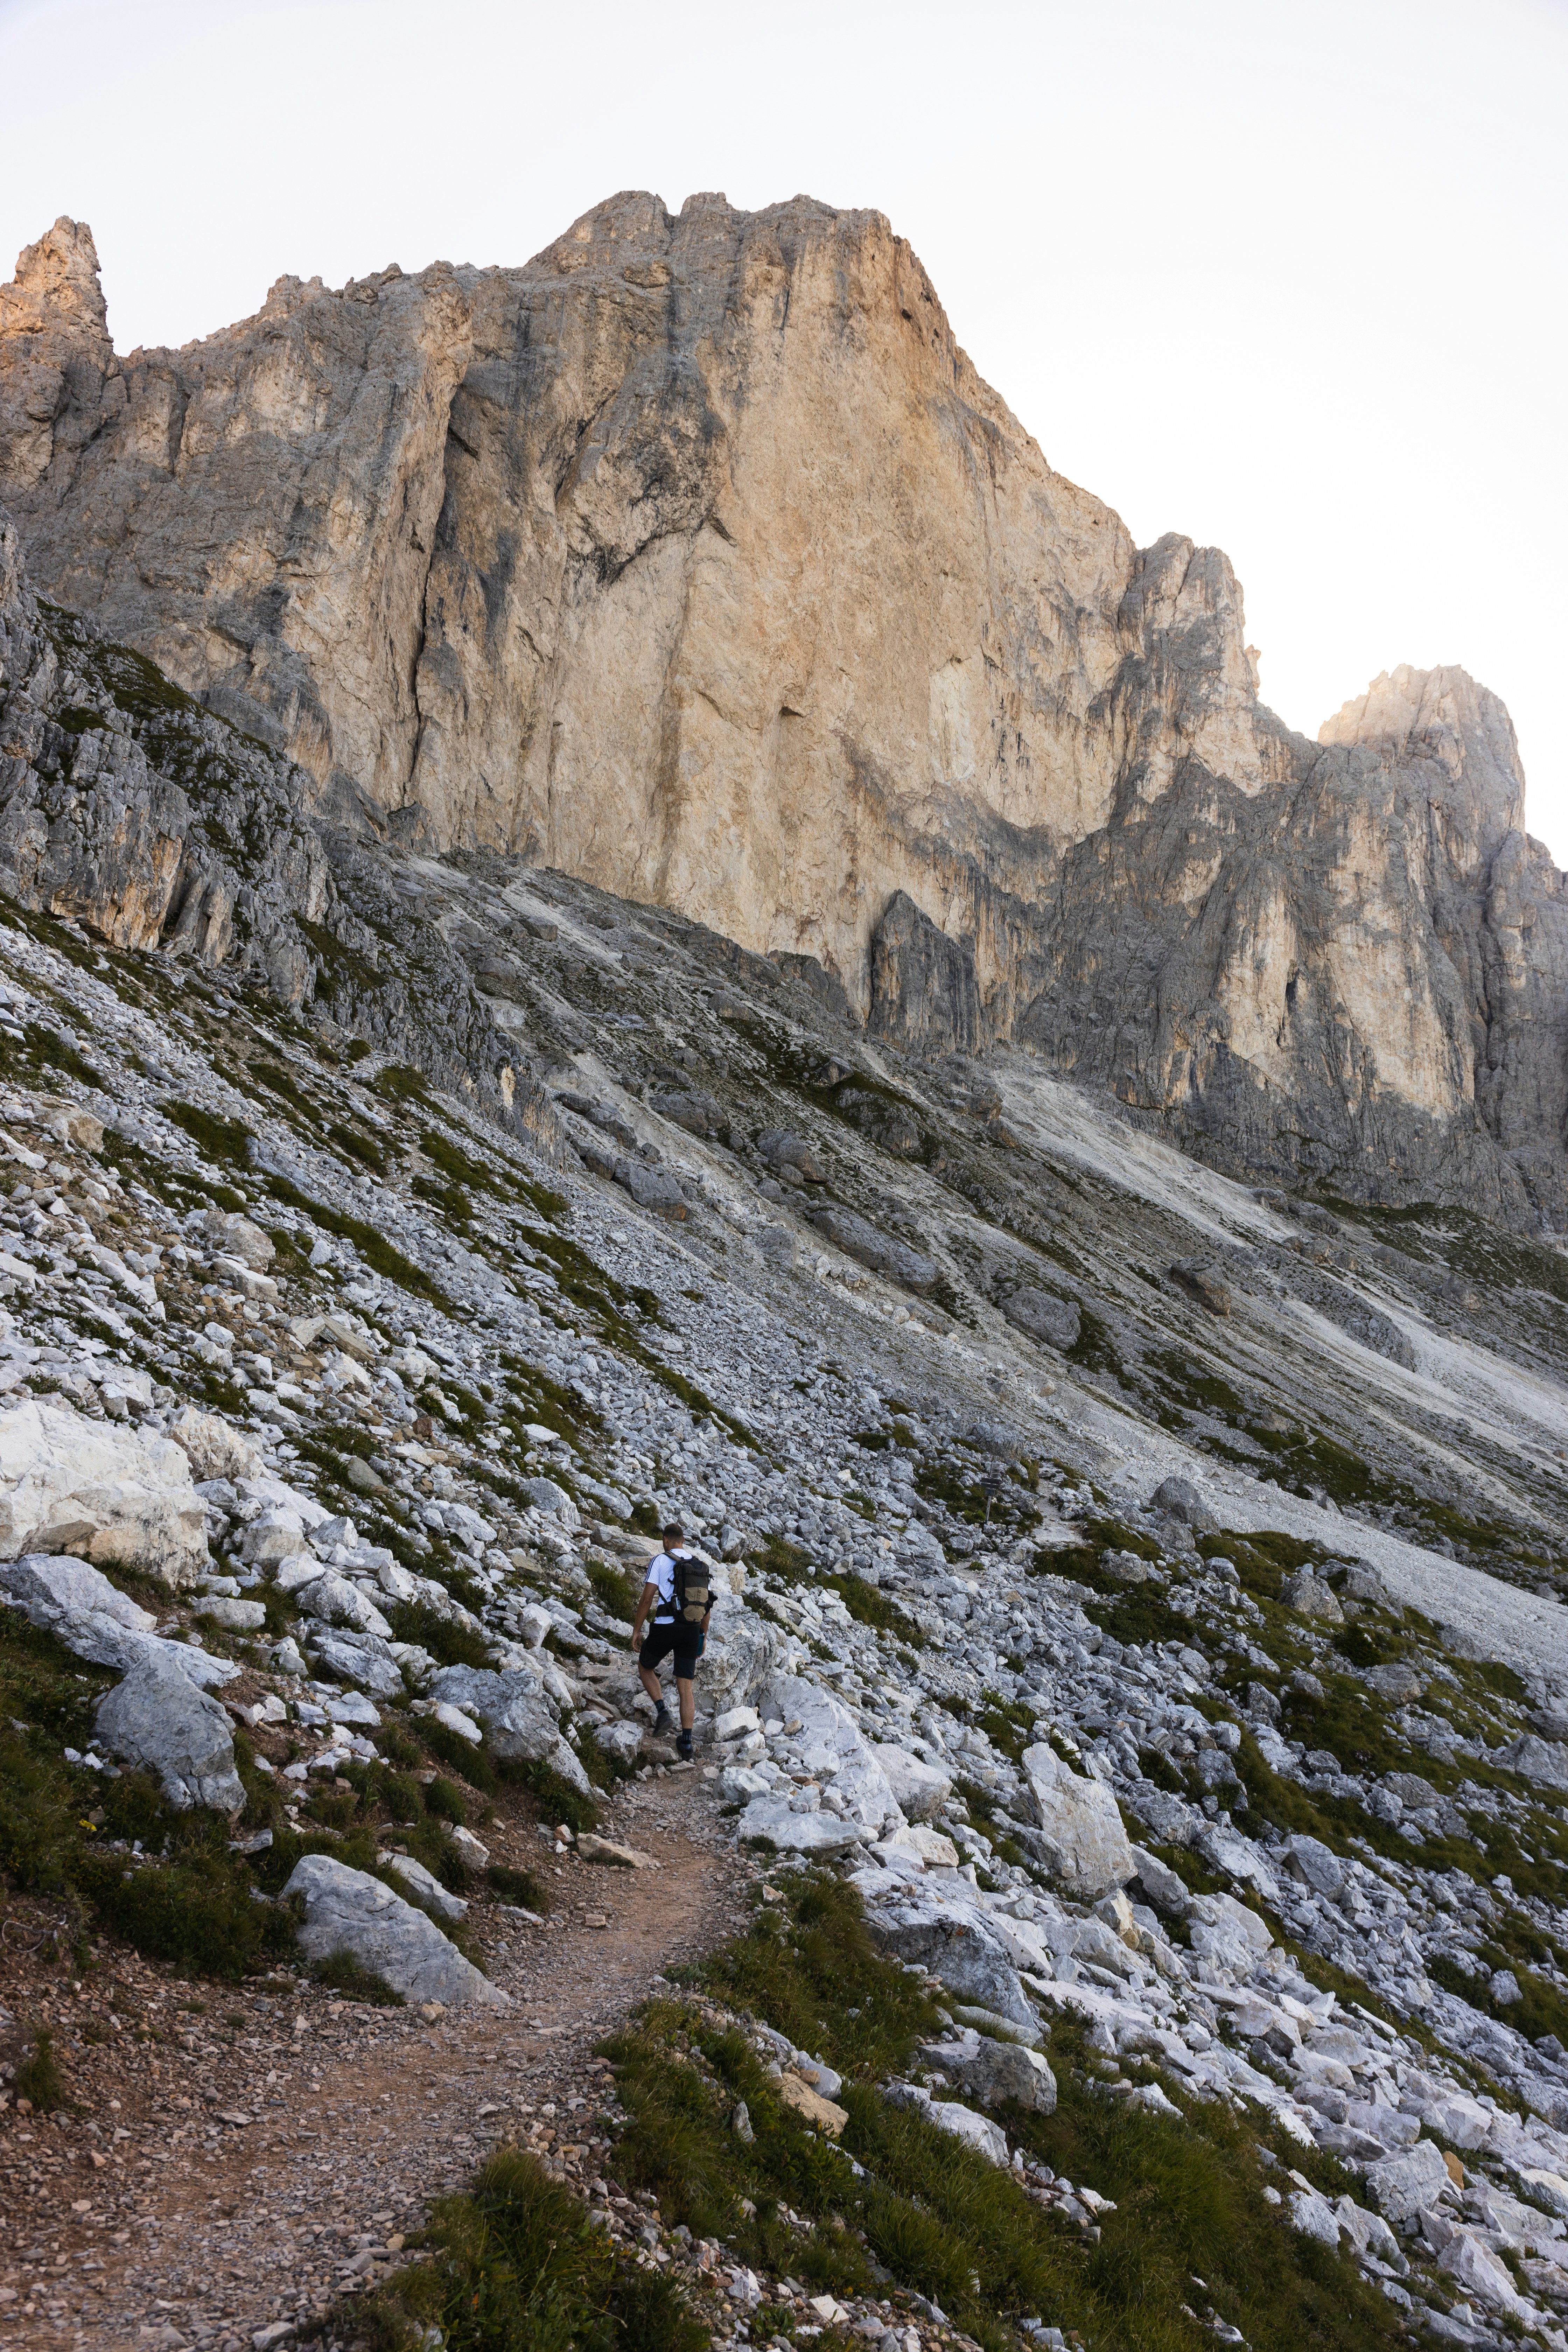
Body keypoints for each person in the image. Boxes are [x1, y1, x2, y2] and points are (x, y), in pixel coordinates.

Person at [630, 1521, 712, 1760]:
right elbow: (707, 1606)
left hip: (666, 1626)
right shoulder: (699, 1566)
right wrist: (702, 1636)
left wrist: (637, 1630)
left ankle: (663, 1711)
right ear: (683, 1541)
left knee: (646, 1667)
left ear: (666, 1540)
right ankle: (686, 1744)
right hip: (691, 1629)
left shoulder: (660, 1560)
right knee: (685, 1686)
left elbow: (647, 1598)